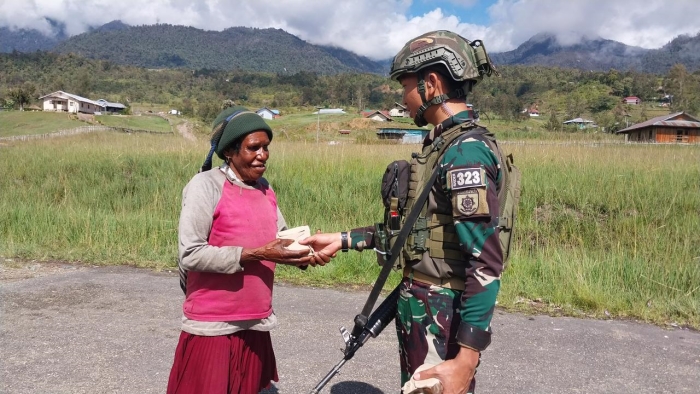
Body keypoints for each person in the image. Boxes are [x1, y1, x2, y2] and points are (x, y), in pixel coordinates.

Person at [300, 30, 502, 394]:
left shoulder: (465, 153)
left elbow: (485, 264)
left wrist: (465, 361)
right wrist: (342, 240)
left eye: (405, 85)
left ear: (432, 83)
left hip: (442, 315)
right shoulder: (442, 147)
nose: (402, 97)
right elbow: (417, 233)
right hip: (423, 306)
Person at [167, 105, 330, 394]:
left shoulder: (265, 189)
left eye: (266, 148)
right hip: (213, 324)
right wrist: (257, 254)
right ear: (230, 151)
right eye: (254, 148)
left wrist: (306, 255)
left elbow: (279, 244)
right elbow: (190, 254)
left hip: (255, 322)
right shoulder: (205, 186)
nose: (263, 155)